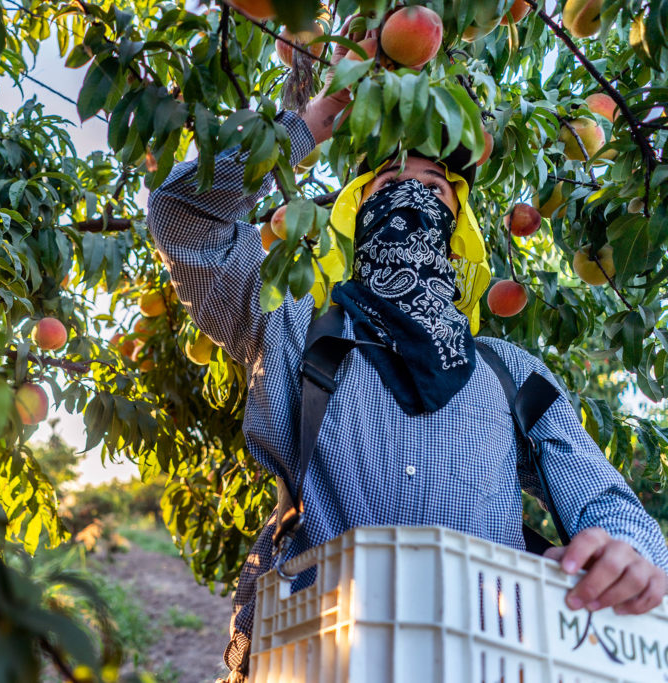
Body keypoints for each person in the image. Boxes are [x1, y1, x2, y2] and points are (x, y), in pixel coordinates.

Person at [145, 33, 668, 682]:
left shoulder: (509, 373)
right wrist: (315, 120)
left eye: (434, 188)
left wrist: (630, 552)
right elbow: (181, 212)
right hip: (312, 660)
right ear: (354, 216)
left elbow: (612, 506)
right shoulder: (288, 333)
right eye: (387, 184)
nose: (410, 198)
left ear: (458, 234)